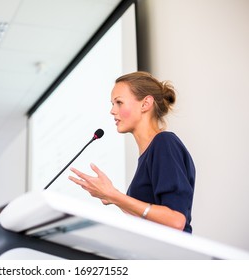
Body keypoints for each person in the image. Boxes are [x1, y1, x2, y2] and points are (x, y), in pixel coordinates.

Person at [68, 71, 195, 233]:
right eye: (112, 104)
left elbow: (176, 221)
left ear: (145, 104)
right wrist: (111, 197)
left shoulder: (164, 143)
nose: (112, 111)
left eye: (119, 102)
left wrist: (114, 195)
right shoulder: (149, 153)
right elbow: (148, 222)